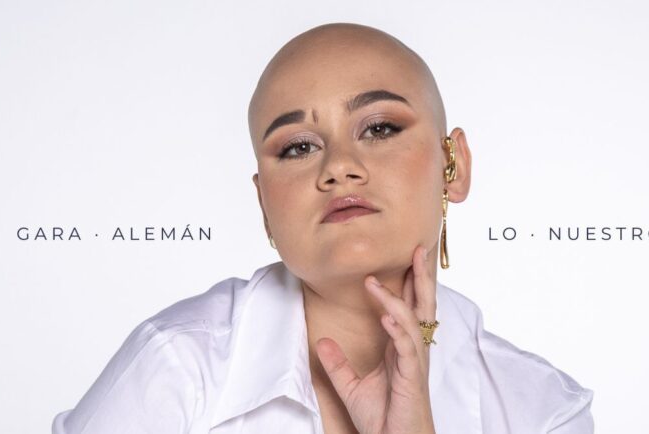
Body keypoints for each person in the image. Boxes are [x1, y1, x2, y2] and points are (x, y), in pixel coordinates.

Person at [52, 22, 594, 434]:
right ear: (264, 203)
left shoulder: (542, 411)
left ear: (454, 166)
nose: (339, 166)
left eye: (379, 128)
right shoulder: (175, 365)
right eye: (298, 147)